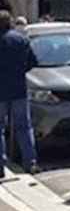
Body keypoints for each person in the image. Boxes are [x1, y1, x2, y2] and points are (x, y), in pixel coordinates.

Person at [0, 11, 39, 176]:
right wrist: (19, 71)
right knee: (24, 127)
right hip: (18, 88)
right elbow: (33, 62)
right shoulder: (21, 40)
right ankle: (30, 162)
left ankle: (0, 165)